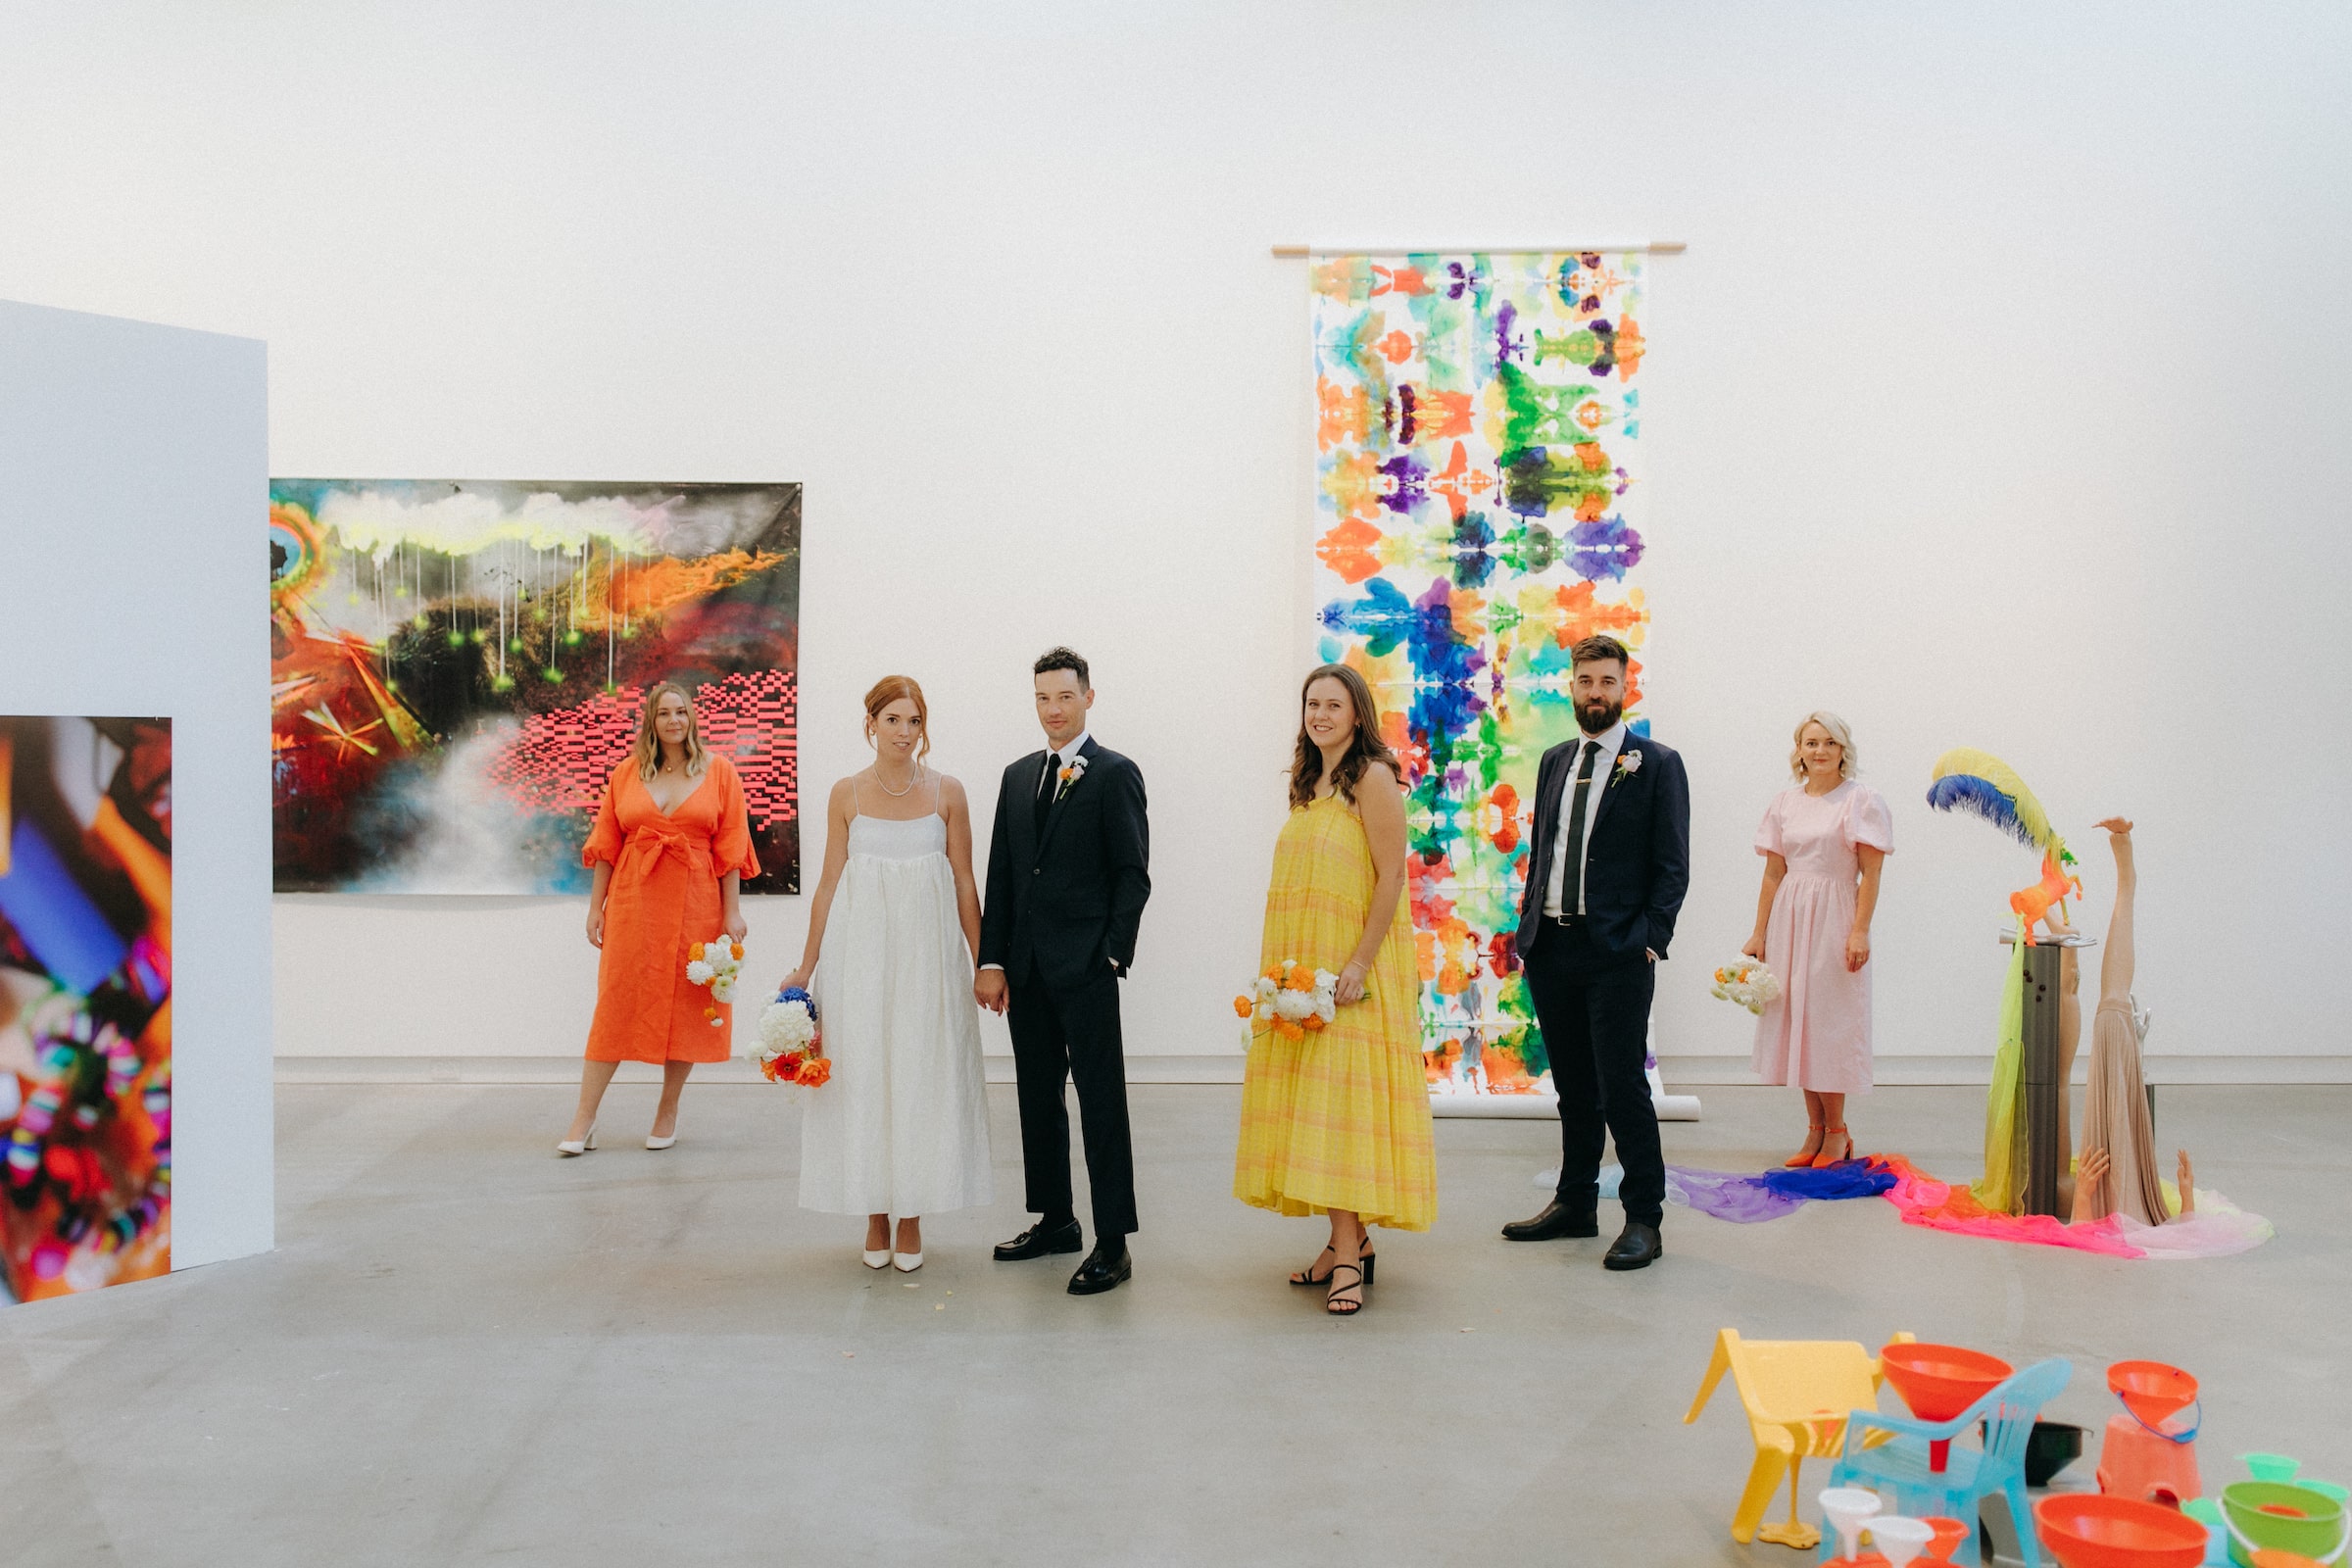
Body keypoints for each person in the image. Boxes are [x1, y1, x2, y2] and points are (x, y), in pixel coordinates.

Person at [1234, 664, 1437, 1316]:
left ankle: (1347, 1256)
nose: (1319, 714)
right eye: (1311, 704)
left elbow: (1388, 881)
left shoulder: (1373, 779)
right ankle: (1347, 1242)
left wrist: (1358, 964)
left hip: (1350, 976)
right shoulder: (1310, 784)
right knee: (1315, 1111)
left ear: (1358, 715)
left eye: (1332, 705)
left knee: (1342, 1114)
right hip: (1303, 975)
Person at [781, 676, 993, 1270]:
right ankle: (875, 1213)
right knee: (866, 1075)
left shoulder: (948, 792)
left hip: (927, 962)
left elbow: (964, 881)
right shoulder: (846, 794)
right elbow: (827, 885)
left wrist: (985, 963)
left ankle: (913, 1215)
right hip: (860, 960)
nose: (904, 732)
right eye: (893, 720)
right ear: (871, 722)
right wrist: (805, 967)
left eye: (914, 721)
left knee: (921, 1076)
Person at [1499, 635, 1690, 1271]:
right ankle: (1576, 1201)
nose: (1596, 693)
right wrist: (1529, 928)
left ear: (1624, 687)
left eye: (1607, 682)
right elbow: (1545, 850)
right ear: (1572, 686)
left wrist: (1649, 942)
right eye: (1585, 681)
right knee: (1574, 1088)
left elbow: (1671, 867)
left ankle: (1644, 1218)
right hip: (1552, 947)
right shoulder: (1555, 759)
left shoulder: (1656, 764)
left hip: (1617, 953)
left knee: (1622, 1087)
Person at [975, 647, 1151, 1296]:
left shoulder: (1113, 773)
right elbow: (1003, 876)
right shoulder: (1018, 776)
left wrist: (1110, 954)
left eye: (1065, 697)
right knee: (1036, 1097)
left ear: (1088, 698)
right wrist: (993, 960)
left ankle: (1114, 1242)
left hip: (1086, 968)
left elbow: (1133, 874)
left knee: (1102, 1101)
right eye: (1043, 698)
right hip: (1026, 971)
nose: (1053, 709)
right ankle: (1055, 1220)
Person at [561, 681, 759, 1154]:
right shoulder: (626, 773)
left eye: (682, 712)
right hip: (634, 901)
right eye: (664, 713)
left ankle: (667, 1109)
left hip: (696, 902)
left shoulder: (720, 772)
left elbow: (731, 847)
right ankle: (583, 1120)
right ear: (650, 721)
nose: (674, 721)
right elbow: (606, 845)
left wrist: (732, 911)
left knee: (687, 1007)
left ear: (692, 719)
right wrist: (595, 907)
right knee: (615, 1005)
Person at [1740, 712, 1892, 1167]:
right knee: (1798, 1025)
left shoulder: (1860, 801)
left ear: (1843, 749)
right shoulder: (1785, 803)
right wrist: (1758, 932)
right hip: (1790, 914)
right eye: (1811, 743)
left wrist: (1860, 930)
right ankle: (1814, 1130)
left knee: (1829, 1025)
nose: (1820, 751)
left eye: (1829, 743)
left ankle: (1838, 1132)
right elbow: (1772, 873)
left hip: (1834, 915)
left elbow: (1871, 872)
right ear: (1799, 750)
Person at [2072, 816, 2170, 1224]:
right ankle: (2126, 880)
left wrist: (2081, 1198)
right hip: (2112, 1033)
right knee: (2111, 1007)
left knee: (2111, 1007)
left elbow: (2078, 1228)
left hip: (2111, 1033)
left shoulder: (2098, 1221)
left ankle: (2126, 880)